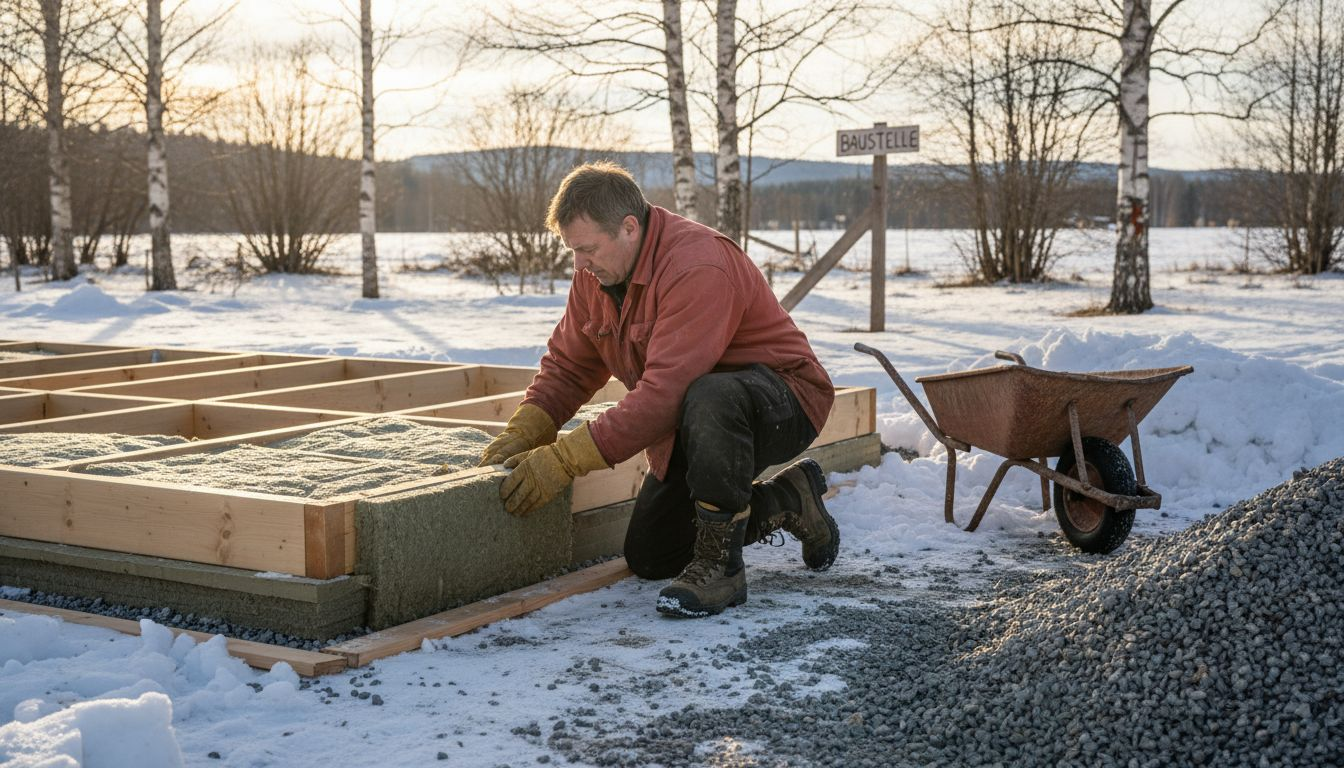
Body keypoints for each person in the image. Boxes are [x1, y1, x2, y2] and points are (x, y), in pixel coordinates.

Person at [477, 161, 838, 618]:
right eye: (572, 250)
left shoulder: (696, 264)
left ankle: (720, 570)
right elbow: (570, 364)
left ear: (629, 227)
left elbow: (666, 392)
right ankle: (789, 498)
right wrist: (528, 428)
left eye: (586, 249)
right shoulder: (596, 275)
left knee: (709, 394)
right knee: (653, 554)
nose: (578, 264)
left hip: (783, 400)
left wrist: (566, 460)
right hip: (696, 419)